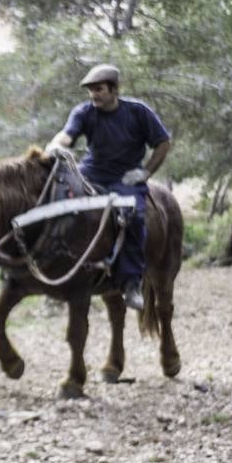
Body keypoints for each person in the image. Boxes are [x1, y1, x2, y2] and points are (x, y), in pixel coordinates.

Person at [45, 64, 170, 312]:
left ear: (114, 89)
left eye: (99, 89)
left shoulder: (138, 112)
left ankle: (131, 283)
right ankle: (56, 266)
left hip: (125, 178)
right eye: (91, 90)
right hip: (91, 172)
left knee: (133, 217)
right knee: (58, 202)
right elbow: (66, 136)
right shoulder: (84, 112)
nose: (94, 95)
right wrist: (55, 146)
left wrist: (145, 172)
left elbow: (163, 143)